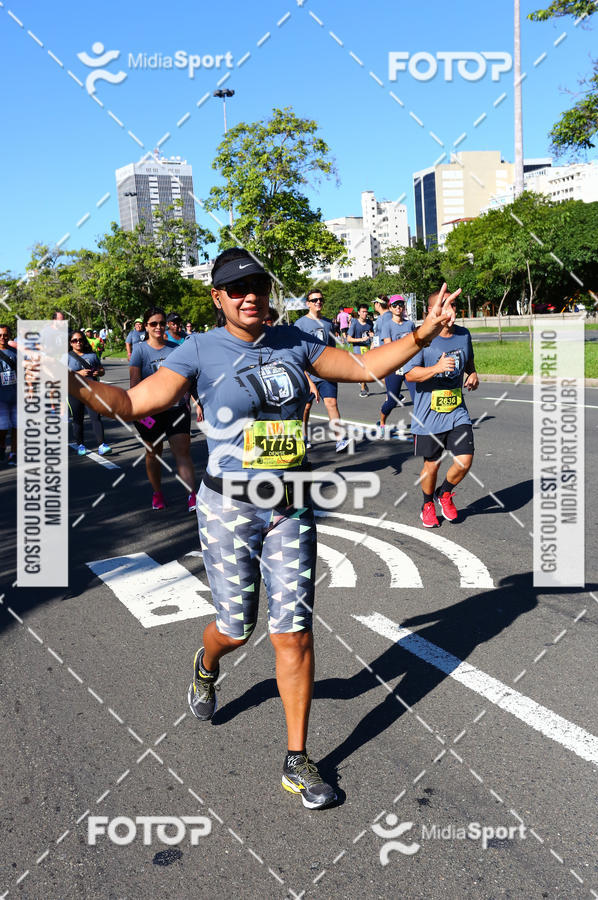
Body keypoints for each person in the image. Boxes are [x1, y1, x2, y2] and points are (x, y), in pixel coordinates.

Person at [66, 248, 457, 809]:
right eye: (236, 287)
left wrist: (420, 335)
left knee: (294, 633)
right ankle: (206, 664)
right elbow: (130, 401)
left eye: (257, 285)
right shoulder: (199, 349)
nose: (250, 294)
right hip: (227, 509)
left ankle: (297, 759)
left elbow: (364, 366)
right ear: (217, 297)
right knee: (235, 628)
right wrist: (73, 384)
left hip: (289, 504)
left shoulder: (295, 341)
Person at [404, 289, 479, 528]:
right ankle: (427, 503)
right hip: (429, 416)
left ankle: (444, 493)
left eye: (453, 306)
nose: (450, 311)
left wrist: (473, 373)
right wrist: (436, 369)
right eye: (444, 306)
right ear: (432, 312)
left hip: (457, 411)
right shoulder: (422, 338)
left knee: (465, 460)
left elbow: (469, 361)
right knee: (432, 464)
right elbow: (410, 373)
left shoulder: (464, 335)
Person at [129, 306, 196, 512]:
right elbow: (134, 383)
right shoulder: (140, 350)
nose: (158, 327)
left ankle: (192, 496)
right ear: (146, 327)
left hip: (176, 409)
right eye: (153, 324)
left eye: (161, 323)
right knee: (153, 453)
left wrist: (195, 400)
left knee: (182, 451)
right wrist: (141, 412)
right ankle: (157, 493)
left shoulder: (176, 348)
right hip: (150, 410)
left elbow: (187, 378)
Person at [294, 289, 349, 453]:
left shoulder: (328, 323)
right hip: (307, 373)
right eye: (314, 300)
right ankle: (303, 437)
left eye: (320, 299)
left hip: (326, 372)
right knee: (305, 407)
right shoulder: (300, 324)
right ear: (308, 304)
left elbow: (332, 348)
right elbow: (298, 353)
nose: (318, 302)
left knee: (331, 403)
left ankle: (339, 439)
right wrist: (305, 376)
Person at [376, 296, 416, 438]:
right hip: (394, 367)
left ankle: (419, 428)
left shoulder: (410, 324)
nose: (398, 307)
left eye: (400, 305)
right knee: (392, 401)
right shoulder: (387, 325)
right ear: (390, 307)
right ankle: (381, 422)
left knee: (417, 398)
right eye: (395, 305)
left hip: (410, 366)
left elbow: (414, 344)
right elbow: (388, 347)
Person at [67, 331, 112, 456]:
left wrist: (99, 372)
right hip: (74, 392)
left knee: (96, 416)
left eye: (80, 339)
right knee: (78, 419)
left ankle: (102, 444)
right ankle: (81, 445)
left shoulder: (91, 355)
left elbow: (102, 370)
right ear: (70, 343)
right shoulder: (66, 357)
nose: (78, 342)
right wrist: (78, 374)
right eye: (74, 340)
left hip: (92, 391)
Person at [0, 324, 17, 465]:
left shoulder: (15, 353)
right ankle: (2, 445)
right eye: (0, 335)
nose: (2, 338)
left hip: (16, 395)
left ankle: (14, 453)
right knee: (3, 428)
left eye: (5, 335)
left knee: (17, 426)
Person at [347, 303, 373, 396]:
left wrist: (372, 335)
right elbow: (348, 339)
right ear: (358, 312)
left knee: (367, 368)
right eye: (363, 312)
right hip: (358, 347)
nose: (365, 314)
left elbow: (371, 333)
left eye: (366, 312)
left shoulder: (370, 323)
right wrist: (361, 339)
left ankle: (363, 382)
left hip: (367, 347)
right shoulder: (354, 324)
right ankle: (362, 389)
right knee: (363, 367)